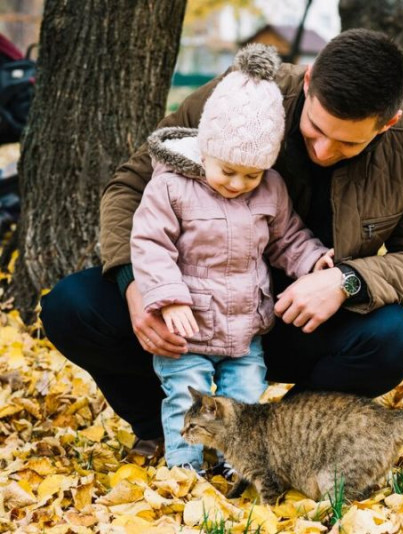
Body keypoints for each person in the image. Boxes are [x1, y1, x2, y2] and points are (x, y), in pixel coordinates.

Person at [40, 29, 403, 459]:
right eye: (315, 129)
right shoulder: (238, 97)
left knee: (392, 340)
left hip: (295, 322)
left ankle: (274, 439)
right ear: (309, 82)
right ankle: (160, 428)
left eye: (348, 143)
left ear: (388, 123)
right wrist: (136, 284)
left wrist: (345, 281)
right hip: (189, 308)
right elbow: (130, 186)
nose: (324, 151)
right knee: (71, 306)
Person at [132, 44, 332, 472]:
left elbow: (286, 238)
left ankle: (235, 464)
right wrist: (169, 297)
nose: (238, 183)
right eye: (227, 171)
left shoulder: (270, 189)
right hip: (186, 328)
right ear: (205, 149)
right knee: (185, 393)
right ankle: (184, 471)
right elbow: (151, 245)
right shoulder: (171, 187)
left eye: (251, 174)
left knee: (243, 399)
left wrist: (313, 261)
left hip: (245, 328)